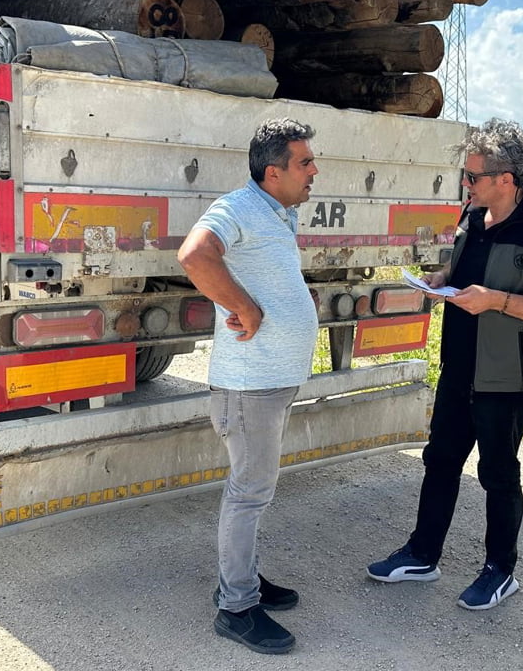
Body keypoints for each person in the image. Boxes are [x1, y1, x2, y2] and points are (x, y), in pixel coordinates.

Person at [366, 118, 523, 611]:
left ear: (507, 179)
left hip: (510, 375)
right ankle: (423, 554)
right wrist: (440, 278)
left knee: (498, 472)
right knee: (440, 460)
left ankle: (500, 571)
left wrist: (497, 301)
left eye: (474, 176)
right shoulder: (472, 215)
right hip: (459, 365)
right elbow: (465, 275)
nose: (466, 184)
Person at [176, 118, 320, 655]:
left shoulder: (276, 214)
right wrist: (243, 305)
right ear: (273, 171)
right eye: (304, 163)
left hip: (272, 381)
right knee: (249, 491)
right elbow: (194, 255)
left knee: (256, 489)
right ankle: (236, 607)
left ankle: (246, 581)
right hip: (248, 384)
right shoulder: (238, 206)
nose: (314, 171)